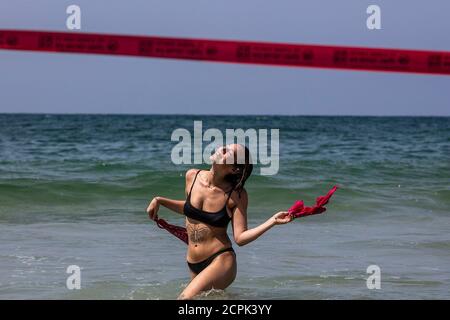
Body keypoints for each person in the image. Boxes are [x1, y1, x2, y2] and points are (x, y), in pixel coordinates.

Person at [146, 144, 293, 299]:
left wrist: (272, 221)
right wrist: (160, 200)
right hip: (193, 262)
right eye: (225, 146)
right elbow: (192, 210)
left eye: (229, 152)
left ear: (234, 169)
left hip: (220, 260)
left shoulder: (235, 195)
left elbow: (240, 238)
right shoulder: (192, 176)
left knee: (184, 299)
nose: (222, 148)